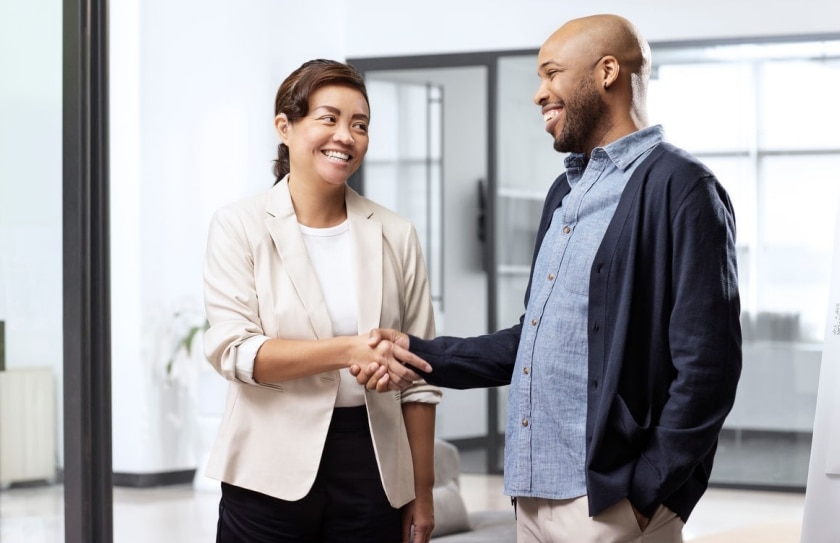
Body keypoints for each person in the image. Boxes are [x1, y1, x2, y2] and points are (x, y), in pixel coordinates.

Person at [356, 14, 742, 543]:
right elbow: (533, 340)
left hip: (611, 504)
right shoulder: (564, 194)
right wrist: (420, 353)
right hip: (532, 496)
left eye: (551, 73)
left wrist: (649, 493)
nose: (539, 94)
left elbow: (708, 367)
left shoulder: (684, 188)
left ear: (607, 71)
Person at [202, 58, 441, 543]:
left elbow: (418, 378)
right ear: (284, 127)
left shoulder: (396, 233)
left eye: (360, 125)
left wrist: (422, 489)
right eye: (328, 118)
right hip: (266, 466)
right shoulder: (239, 226)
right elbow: (237, 352)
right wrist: (350, 349)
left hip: (373, 465)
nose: (346, 136)